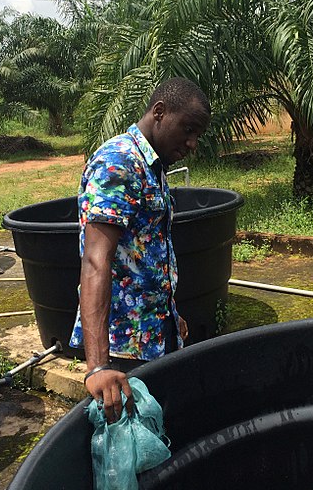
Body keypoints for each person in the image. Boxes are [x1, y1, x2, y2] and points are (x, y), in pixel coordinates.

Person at [71, 77, 211, 422]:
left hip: (153, 333)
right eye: (188, 129)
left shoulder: (153, 165)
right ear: (159, 112)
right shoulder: (118, 162)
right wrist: (99, 366)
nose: (192, 143)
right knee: (130, 446)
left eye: (198, 135)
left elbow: (141, 251)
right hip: (123, 346)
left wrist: (168, 314)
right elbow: (95, 261)